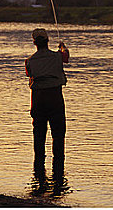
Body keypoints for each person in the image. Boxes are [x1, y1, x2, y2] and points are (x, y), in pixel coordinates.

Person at [25, 28, 69, 185]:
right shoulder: (58, 56)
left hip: (38, 101)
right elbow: (66, 56)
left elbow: (28, 74)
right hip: (55, 99)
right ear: (47, 41)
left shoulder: (29, 61)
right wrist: (62, 46)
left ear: (34, 43)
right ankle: (58, 176)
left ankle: (39, 174)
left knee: (39, 137)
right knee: (58, 136)